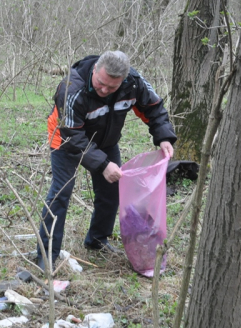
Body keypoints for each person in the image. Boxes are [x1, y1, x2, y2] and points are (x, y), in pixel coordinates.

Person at [36, 51, 176, 271]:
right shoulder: (71, 88)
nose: (104, 90)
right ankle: (46, 254)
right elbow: (72, 136)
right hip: (64, 139)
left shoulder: (134, 83)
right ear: (94, 71)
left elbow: (154, 109)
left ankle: (97, 240)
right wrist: (102, 165)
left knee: (111, 190)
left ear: (123, 80)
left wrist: (164, 137)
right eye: (100, 83)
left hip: (106, 140)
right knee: (61, 193)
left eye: (111, 88)